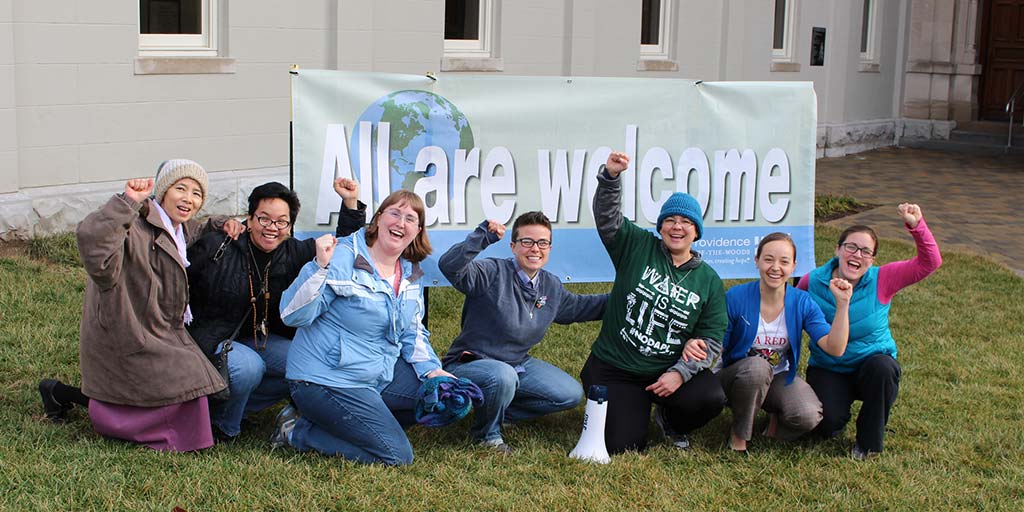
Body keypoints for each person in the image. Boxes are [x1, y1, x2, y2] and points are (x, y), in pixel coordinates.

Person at [37, 159, 236, 451]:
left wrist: (223, 223)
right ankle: (171, 435)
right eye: (181, 188)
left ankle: (60, 393)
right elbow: (93, 243)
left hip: (159, 327)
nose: (188, 198)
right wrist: (126, 202)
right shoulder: (134, 226)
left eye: (197, 193)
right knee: (188, 373)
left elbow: (200, 227)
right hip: (127, 328)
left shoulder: (179, 230)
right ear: (163, 191)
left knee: (172, 379)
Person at [274, 189, 455, 465]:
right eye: (394, 213)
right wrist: (319, 268)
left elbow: (413, 331)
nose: (400, 223)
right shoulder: (343, 255)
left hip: (375, 374)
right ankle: (297, 430)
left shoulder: (411, 272)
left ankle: (355, 423)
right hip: (323, 378)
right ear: (379, 218)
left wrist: (433, 370)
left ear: (417, 231)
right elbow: (291, 315)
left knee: (430, 395)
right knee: (397, 455)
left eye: (410, 219)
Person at [186, 178, 365, 441]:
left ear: (290, 226)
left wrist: (350, 203)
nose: (272, 228)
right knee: (249, 367)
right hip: (213, 340)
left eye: (282, 221)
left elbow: (343, 249)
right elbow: (180, 280)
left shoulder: (293, 252)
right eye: (264, 219)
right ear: (249, 218)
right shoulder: (220, 246)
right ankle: (223, 427)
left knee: (306, 362)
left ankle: (232, 407)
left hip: (259, 339)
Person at [580, 151, 728, 454]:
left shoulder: (709, 280)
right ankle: (629, 409)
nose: (677, 226)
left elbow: (711, 340)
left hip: (667, 369)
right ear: (660, 226)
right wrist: (610, 178)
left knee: (711, 395)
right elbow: (608, 218)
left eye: (686, 221)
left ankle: (670, 420)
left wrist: (679, 372)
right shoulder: (636, 246)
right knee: (624, 445)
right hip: (617, 369)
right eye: (670, 220)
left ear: (696, 232)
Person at [439, 212, 608, 452]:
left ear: (549, 247)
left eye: (542, 243)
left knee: (569, 394)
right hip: (470, 362)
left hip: (517, 364)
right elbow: (449, 266)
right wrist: (482, 237)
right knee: (502, 376)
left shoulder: (550, 285)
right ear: (513, 246)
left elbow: (580, 308)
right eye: (527, 242)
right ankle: (487, 436)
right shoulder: (491, 272)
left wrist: (624, 296)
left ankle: (500, 411)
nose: (535, 249)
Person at [797, 203, 942, 459]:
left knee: (884, 369)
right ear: (838, 249)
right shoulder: (813, 281)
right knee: (825, 425)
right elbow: (789, 315)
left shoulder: (882, 278)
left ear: (873, 259)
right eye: (851, 247)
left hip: (872, 367)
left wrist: (917, 226)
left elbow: (929, 263)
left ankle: (868, 444)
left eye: (866, 251)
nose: (857, 254)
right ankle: (836, 417)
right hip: (829, 367)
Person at [718, 232, 852, 453]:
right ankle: (739, 435)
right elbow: (718, 344)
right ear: (757, 260)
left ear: (794, 266)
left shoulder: (802, 302)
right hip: (737, 376)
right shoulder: (735, 297)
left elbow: (835, 348)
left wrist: (843, 304)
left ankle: (774, 425)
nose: (775, 267)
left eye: (784, 261)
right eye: (768, 259)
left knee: (808, 415)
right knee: (757, 367)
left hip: (779, 376)